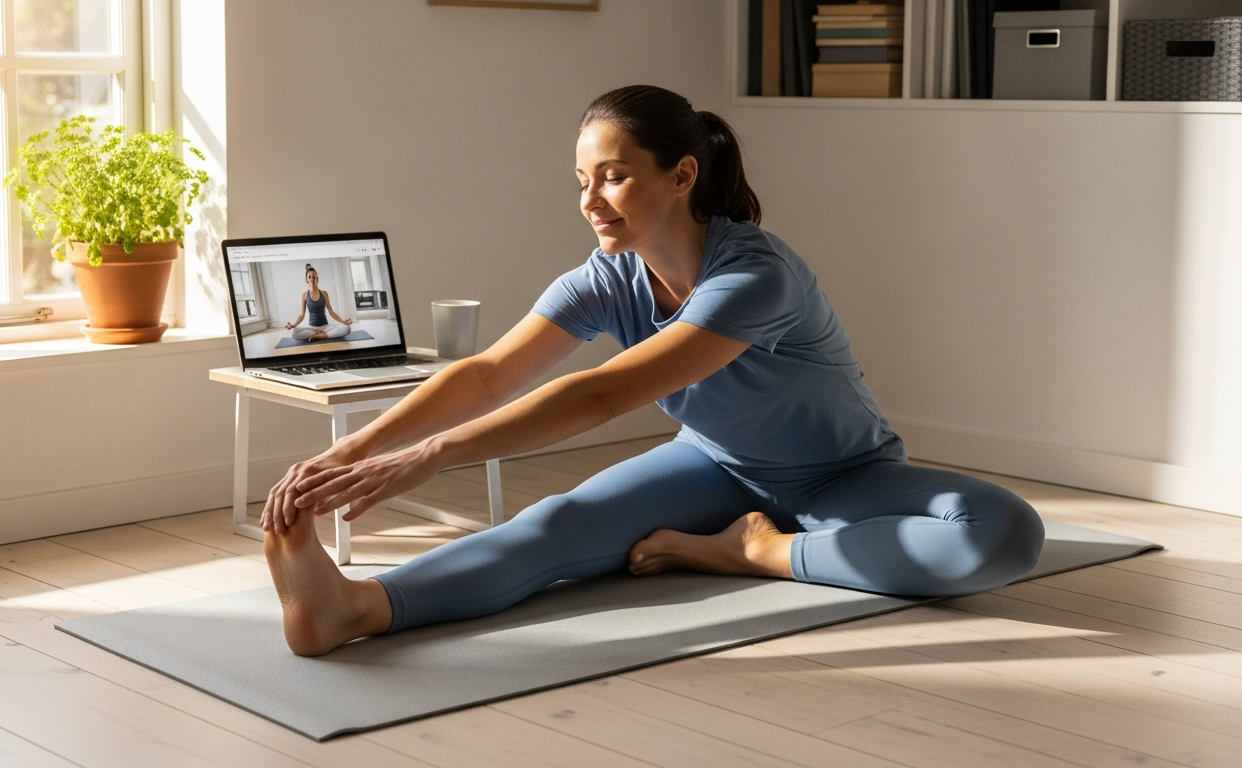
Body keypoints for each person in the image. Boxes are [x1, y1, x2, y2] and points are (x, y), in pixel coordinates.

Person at [260, 85, 1045, 656]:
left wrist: (429, 458)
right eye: (581, 182)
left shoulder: (755, 275)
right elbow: (492, 373)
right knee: (555, 525)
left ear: (682, 176)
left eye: (613, 175)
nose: (591, 200)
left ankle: (753, 552)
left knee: (1003, 532)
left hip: (842, 475)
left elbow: (604, 392)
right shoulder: (605, 277)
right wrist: (348, 455)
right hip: (714, 468)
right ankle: (356, 608)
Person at [285, 263, 354, 341]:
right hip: (311, 328)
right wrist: (293, 325)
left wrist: (343, 321)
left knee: (347, 328)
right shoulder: (304, 295)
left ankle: (322, 335)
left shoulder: (324, 293)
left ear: (317, 278)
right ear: (306, 280)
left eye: (314, 276)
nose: (312, 278)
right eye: (309, 277)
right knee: (294, 333)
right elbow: (302, 315)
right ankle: (320, 334)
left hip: (325, 326)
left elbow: (331, 311)